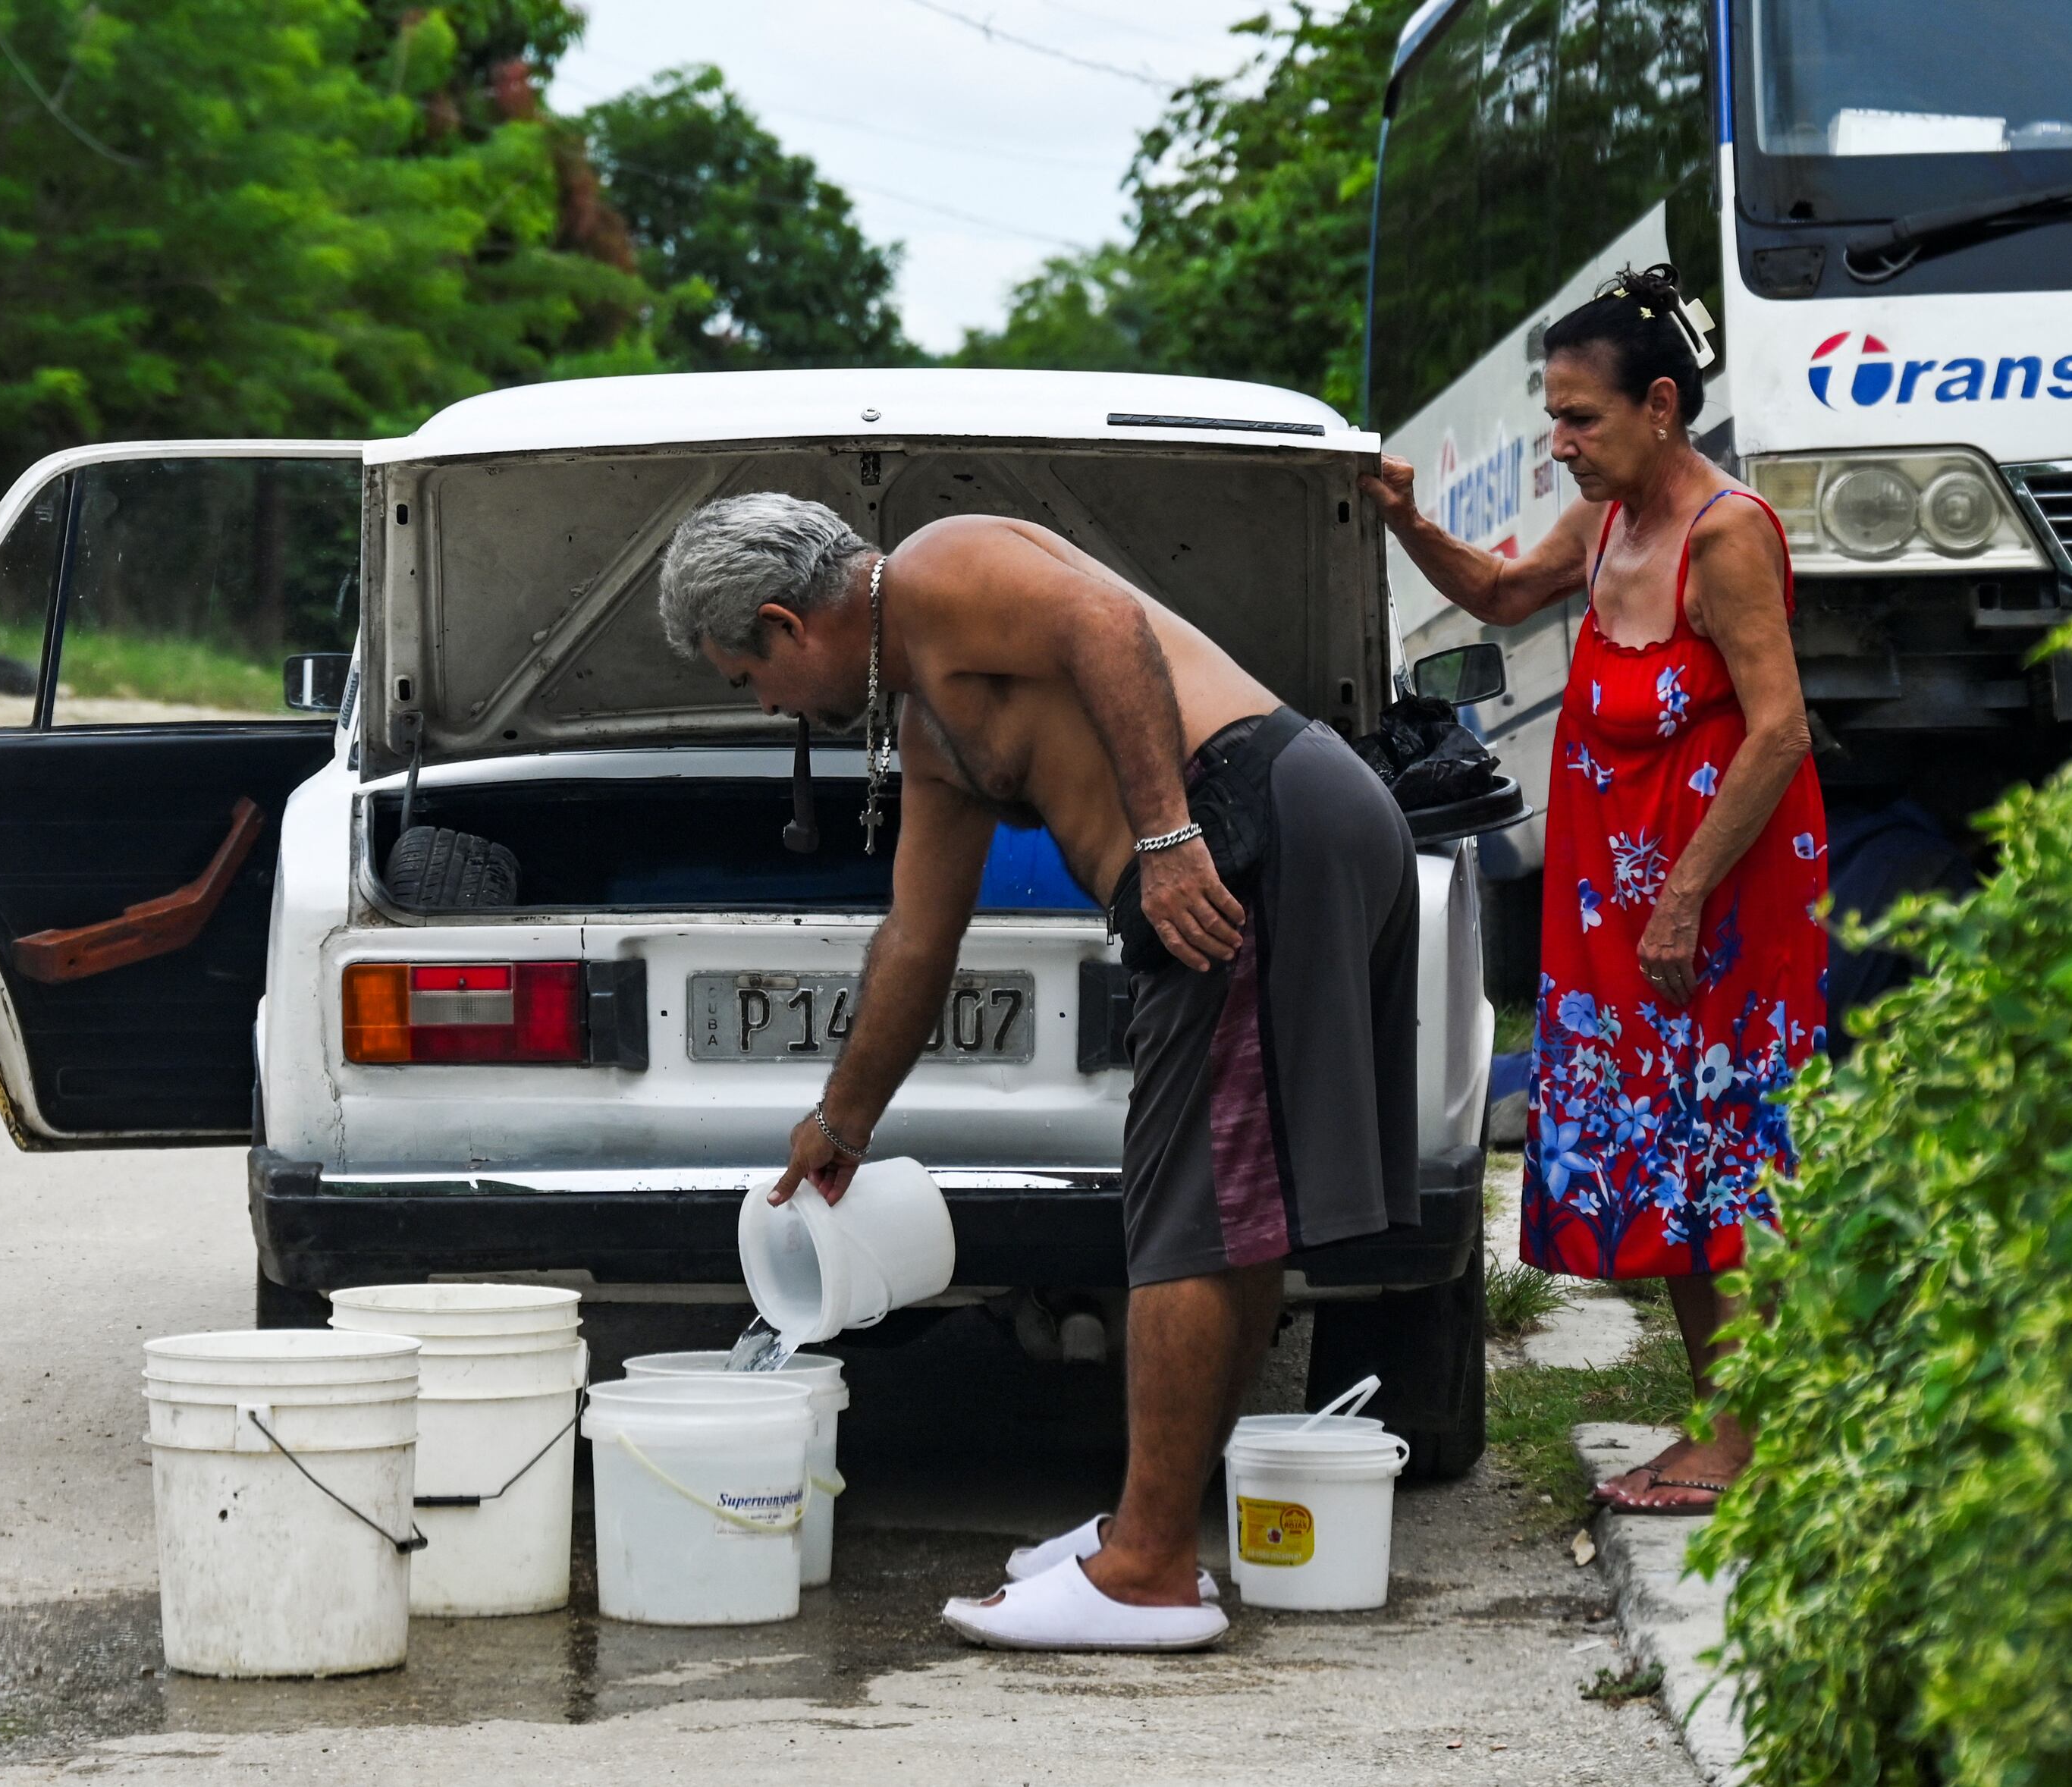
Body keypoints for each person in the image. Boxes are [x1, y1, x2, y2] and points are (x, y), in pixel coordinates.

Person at [655, 492, 1420, 1647]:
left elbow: (1107, 624)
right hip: (1279, 824)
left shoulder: (937, 568)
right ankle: (1152, 1533)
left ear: (785, 624)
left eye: (747, 679)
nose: (765, 706)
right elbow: (920, 938)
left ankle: (1147, 1571)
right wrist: (840, 1123)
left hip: (1249, 820)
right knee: (1229, 1210)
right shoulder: (932, 723)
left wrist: (1166, 838)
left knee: (1187, 1214)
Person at [1361, 264, 1826, 1515]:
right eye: (1553, 418)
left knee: (1724, 1151)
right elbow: (1500, 594)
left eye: (1580, 418)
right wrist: (1405, 517)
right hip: (1625, 901)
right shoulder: (1608, 522)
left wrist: (1682, 898)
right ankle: (1727, 1420)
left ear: (1660, 406)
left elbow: (1779, 730)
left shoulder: (1727, 534)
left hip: (1716, 898)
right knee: (1668, 1151)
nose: (1559, 444)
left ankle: (1743, 1436)